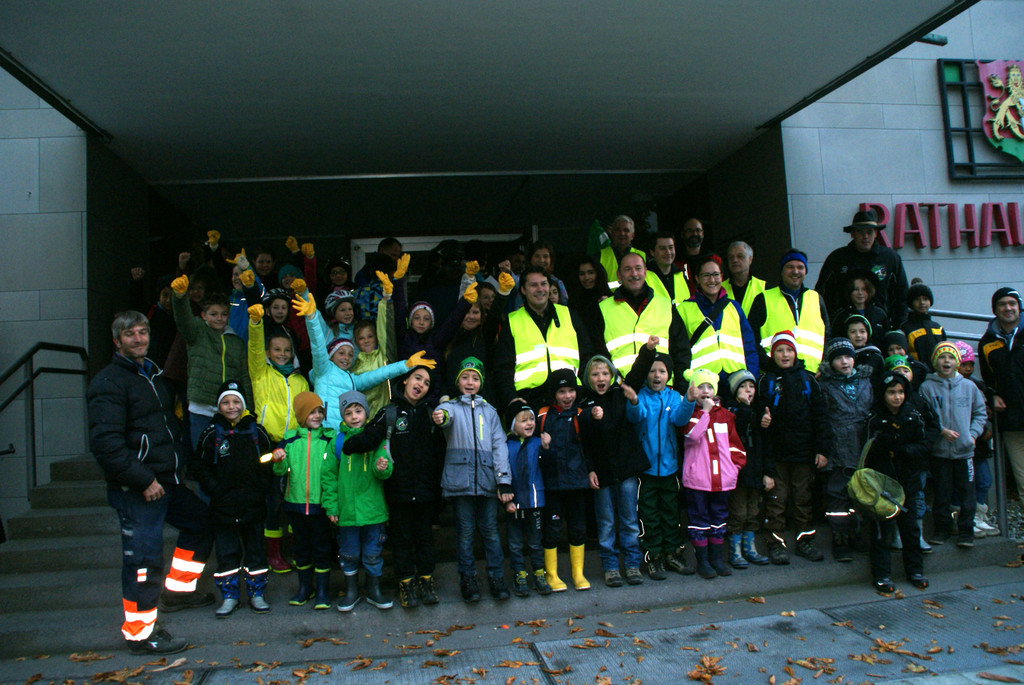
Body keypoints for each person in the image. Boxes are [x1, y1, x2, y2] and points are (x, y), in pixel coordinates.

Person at [87, 311, 213, 655]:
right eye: (130, 334)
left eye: (143, 332)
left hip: (167, 482)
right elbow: (106, 445)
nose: (139, 338)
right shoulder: (109, 382)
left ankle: (178, 592)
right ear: (117, 341)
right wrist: (143, 481)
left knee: (201, 522)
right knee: (143, 561)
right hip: (138, 489)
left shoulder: (154, 375)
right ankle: (140, 634)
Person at [341, 366, 445, 609]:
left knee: (424, 539)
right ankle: (406, 583)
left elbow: (439, 455)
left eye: (427, 383)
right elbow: (371, 435)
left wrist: (438, 492)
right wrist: (349, 445)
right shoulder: (389, 412)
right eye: (417, 378)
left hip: (425, 492)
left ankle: (426, 581)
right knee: (402, 540)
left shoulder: (431, 414)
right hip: (398, 492)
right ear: (406, 380)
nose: (421, 384)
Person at [433, 358, 514, 602]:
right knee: (465, 532)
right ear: (458, 381)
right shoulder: (452, 407)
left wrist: (504, 480)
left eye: (475, 378)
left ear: (481, 382)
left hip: (488, 482)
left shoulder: (489, 412)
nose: (470, 382)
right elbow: (443, 418)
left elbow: (499, 446)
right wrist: (440, 414)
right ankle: (467, 579)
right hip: (461, 483)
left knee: (490, 531)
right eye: (465, 377)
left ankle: (496, 577)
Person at [293, 290, 432, 431]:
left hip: (343, 432)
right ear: (331, 356)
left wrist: (405, 365)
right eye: (341, 353)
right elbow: (317, 345)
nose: (346, 357)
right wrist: (312, 318)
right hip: (321, 430)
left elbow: (380, 374)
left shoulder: (352, 379)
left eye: (350, 354)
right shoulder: (323, 369)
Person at [194, 380, 274, 617]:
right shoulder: (211, 434)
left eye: (236, 401)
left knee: (256, 551)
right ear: (219, 406)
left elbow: (268, 462)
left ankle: (257, 593)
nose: (231, 407)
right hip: (223, 506)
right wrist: (216, 489)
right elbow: (201, 467)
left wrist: (260, 488)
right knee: (227, 553)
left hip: (253, 505)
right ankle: (229, 596)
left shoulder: (256, 432)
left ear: (243, 405)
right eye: (226, 402)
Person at [577, 346, 653, 588]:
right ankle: (610, 567)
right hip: (601, 473)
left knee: (630, 520)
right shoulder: (584, 403)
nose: (601, 378)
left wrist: (648, 350)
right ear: (588, 379)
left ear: (612, 375)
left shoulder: (620, 394)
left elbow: (637, 375)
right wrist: (589, 416)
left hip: (626, 469)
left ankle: (632, 564)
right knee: (606, 522)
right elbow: (582, 443)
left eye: (605, 373)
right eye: (595, 374)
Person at [246, 303, 311, 573]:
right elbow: (253, 349)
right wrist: (256, 324)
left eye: (286, 350)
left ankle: (297, 549)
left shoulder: (300, 381)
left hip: (293, 444)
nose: (282, 354)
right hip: (269, 443)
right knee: (273, 500)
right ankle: (273, 553)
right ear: (268, 353)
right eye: (276, 350)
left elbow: (305, 414)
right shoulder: (261, 373)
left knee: (295, 499)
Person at [624, 353, 697, 579]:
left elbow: (679, 419)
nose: (657, 375)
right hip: (645, 470)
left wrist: (689, 401)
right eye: (652, 370)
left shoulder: (674, 397)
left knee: (670, 513)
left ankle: (673, 553)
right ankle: (653, 557)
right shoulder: (642, 396)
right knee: (649, 516)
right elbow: (636, 417)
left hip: (669, 468)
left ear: (669, 375)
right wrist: (634, 401)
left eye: (662, 371)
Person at [758, 331, 829, 564]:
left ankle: (804, 540)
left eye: (789, 350)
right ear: (773, 354)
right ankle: (776, 543)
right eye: (780, 350)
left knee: (802, 499)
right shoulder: (766, 381)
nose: (785, 355)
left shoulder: (808, 381)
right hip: (776, 452)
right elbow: (759, 415)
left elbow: (820, 417)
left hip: (804, 452)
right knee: (776, 499)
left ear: (795, 353)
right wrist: (762, 419)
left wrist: (821, 449)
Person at [321, 391, 393, 612]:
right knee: (349, 552)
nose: (354, 416)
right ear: (342, 416)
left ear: (366, 413)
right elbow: (328, 477)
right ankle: (351, 590)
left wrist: (382, 467)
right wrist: (331, 506)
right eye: (349, 412)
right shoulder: (337, 442)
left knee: (373, 551)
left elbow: (385, 468)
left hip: (372, 510)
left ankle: (374, 590)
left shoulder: (375, 438)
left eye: (358, 411)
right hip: (347, 512)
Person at [864, 372, 936, 593]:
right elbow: (869, 450)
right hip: (884, 484)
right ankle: (882, 574)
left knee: (911, 530)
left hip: (909, 482)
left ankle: (915, 571)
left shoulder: (913, 416)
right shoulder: (875, 419)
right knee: (883, 532)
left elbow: (924, 445)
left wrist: (903, 450)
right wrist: (885, 445)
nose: (897, 397)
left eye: (901, 392)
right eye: (891, 392)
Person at [494, 266, 594, 409]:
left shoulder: (570, 315)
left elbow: (587, 354)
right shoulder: (512, 321)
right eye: (533, 285)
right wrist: (512, 400)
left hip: (570, 398)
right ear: (523, 290)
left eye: (543, 284)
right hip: (529, 401)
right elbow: (503, 368)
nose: (540, 289)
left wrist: (583, 390)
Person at [271, 392, 336, 610]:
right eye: (311, 412)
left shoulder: (329, 438)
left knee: (322, 548)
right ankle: (304, 588)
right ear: (301, 415)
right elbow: (280, 470)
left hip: (320, 506)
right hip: (296, 504)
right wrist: (278, 459)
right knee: (301, 548)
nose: (317, 416)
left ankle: (323, 591)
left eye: (320, 412)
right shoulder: (290, 439)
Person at [170, 274, 252, 447]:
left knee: (227, 456)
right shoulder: (197, 331)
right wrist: (179, 297)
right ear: (203, 315)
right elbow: (183, 319)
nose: (219, 318)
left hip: (230, 410)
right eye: (213, 314)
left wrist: (249, 410)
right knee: (201, 452)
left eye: (223, 314)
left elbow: (244, 376)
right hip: (201, 407)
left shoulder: (236, 341)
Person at [681, 368, 746, 580]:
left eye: (710, 387)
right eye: (701, 387)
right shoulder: (690, 413)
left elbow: (735, 445)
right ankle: (703, 561)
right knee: (699, 519)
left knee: (719, 517)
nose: (706, 391)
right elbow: (693, 436)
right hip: (698, 480)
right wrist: (706, 413)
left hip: (722, 480)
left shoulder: (726, 416)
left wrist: (734, 467)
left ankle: (717, 558)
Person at [919, 342, 986, 548]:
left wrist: (972, 435)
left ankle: (966, 531)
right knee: (942, 493)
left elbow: (980, 414)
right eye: (941, 357)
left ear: (957, 362)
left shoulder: (969, 386)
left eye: (950, 357)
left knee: (967, 493)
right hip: (939, 453)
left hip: (964, 452)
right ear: (935, 362)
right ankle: (942, 530)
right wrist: (940, 430)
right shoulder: (927, 387)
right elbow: (923, 416)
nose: (946, 361)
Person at [537, 369, 598, 592]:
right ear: (554, 394)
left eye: (571, 390)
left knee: (578, 528)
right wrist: (542, 446)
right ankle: (552, 575)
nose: (567, 396)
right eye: (562, 391)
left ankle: (577, 573)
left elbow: (588, 446)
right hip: (552, 484)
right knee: (552, 529)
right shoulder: (543, 415)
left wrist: (590, 470)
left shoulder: (582, 414)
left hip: (576, 482)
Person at [818, 338, 874, 562]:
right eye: (839, 357)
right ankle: (840, 537)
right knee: (838, 495)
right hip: (838, 446)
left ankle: (858, 533)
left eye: (848, 356)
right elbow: (822, 419)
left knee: (861, 493)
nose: (844, 361)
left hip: (863, 445)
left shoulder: (866, 382)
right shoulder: (825, 386)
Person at [676, 254, 759, 398]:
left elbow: (749, 347)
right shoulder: (683, 309)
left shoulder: (734, 307)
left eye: (715, 275)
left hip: (736, 384)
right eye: (706, 275)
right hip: (703, 387)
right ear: (697, 278)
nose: (712, 280)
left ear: (722, 277)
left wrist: (751, 380)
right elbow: (678, 353)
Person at [595, 252, 688, 379]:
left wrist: (680, 385)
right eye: (627, 269)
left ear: (645, 271)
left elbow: (680, 350)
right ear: (619, 275)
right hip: (621, 388)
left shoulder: (665, 305)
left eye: (638, 268)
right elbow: (598, 353)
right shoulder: (603, 308)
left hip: (661, 390)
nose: (634, 274)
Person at [815, 208, 910, 325]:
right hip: (843, 326)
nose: (865, 237)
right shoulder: (837, 258)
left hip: (881, 326)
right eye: (860, 232)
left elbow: (902, 295)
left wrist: (898, 327)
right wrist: (830, 324)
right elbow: (822, 294)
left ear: (876, 233)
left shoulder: (890, 258)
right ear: (852, 234)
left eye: (869, 232)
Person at [747, 250, 830, 373]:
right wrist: (768, 366)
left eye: (800, 267)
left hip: (813, 376)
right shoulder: (763, 299)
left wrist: (823, 367)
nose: (795, 271)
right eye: (790, 267)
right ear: (782, 271)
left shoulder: (816, 298)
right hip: (776, 377)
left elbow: (827, 336)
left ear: (805, 271)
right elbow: (751, 339)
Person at [724, 370, 773, 568]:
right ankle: (735, 551)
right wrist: (744, 407)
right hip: (738, 473)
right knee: (738, 512)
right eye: (743, 387)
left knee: (753, 511)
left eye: (751, 386)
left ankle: (750, 548)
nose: (748, 390)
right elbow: (739, 428)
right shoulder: (732, 411)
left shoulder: (761, 412)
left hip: (755, 471)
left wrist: (768, 473)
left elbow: (766, 446)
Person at [979, 287, 1024, 504]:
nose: (1008, 308)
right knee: (1023, 483)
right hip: (1013, 422)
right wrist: (993, 395)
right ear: (995, 309)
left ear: (1019, 306)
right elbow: (989, 381)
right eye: (1002, 304)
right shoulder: (987, 343)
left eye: (1012, 303)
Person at [504, 400, 551, 597]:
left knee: (535, 540)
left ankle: (539, 573)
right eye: (523, 420)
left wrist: (547, 448)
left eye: (531, 419)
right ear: (513, 425)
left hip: (534, 501)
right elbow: (503, 472)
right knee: (515, 542)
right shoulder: (506, 446)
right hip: (514, 502)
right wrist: (506, 499)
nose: (529, 423)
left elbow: (549, 467)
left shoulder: (538, 443)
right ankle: (519, 574)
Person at [954, 340, 999, 537]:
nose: (968, 368)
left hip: (979, 445)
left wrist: (985, 428)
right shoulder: (953, 386)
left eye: (971, 364)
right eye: (963, 364)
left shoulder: (979, 385)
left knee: (984, 480)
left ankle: (980, 516)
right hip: (961, 444)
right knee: (963, 484)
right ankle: (964, 518)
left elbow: (984, 412)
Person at [829, 269, 889, 349]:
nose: (860, 293)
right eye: (856, 289)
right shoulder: (841, 315)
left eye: (864, 289)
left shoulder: (879, 314)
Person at [901, 283, 946, 369]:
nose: (922, 303)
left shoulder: (938, 328)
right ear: (911, 302)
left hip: (938, 374)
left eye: (925, 299)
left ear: (930, 302)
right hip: (916, 373)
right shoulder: (906, 328)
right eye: (917, 299)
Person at [598, 215, 646, 289]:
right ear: (612, 233)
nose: (622, 233)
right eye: (618, 230)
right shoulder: (599, 256)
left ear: (632, 235)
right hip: (609, 299)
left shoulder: (643, 256)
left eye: (626, 230)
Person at [645, 231, 691, 307]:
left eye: (671, 247)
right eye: (662, 248)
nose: (668, 252)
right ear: (652, 252)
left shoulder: (680, 275)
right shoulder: (643, 277)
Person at [722, 241, 766, 317]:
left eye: (740, 256)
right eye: (731, 257)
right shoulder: (719, 289)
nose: (735, 260)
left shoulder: (765, 288)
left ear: (750, 259)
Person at [675, 218, 706, 287]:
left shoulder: (714, 259)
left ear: (703, 233)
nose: (694, 234)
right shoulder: (675, 264)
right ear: (682, 234)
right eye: (689, 231)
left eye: (698, 230)